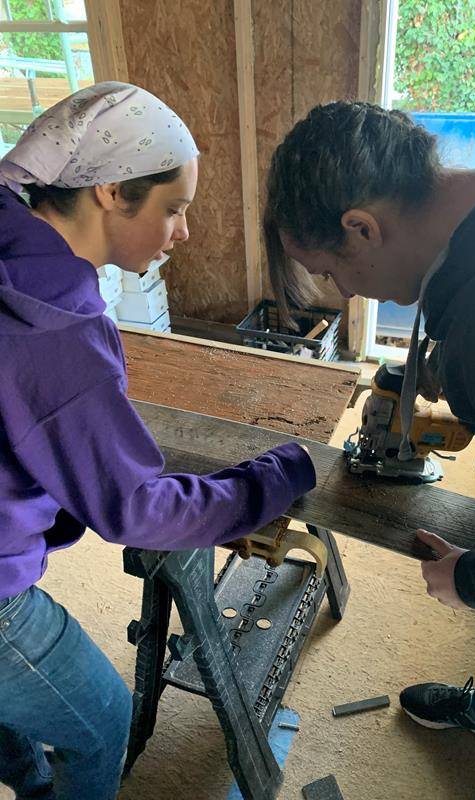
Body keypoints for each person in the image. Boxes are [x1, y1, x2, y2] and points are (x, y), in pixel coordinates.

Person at [263, 100, 475, 800]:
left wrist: (467, 581)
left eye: (331, 271)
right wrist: (441, 370)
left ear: (362, 227)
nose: (345, 290)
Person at [0, 82, 316, 800]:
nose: (183, 232)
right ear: (111, 191)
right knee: (103, 719)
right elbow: (138, 510)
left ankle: (29, 781)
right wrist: (279, 474)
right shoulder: (57, 329)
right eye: (174, 210)